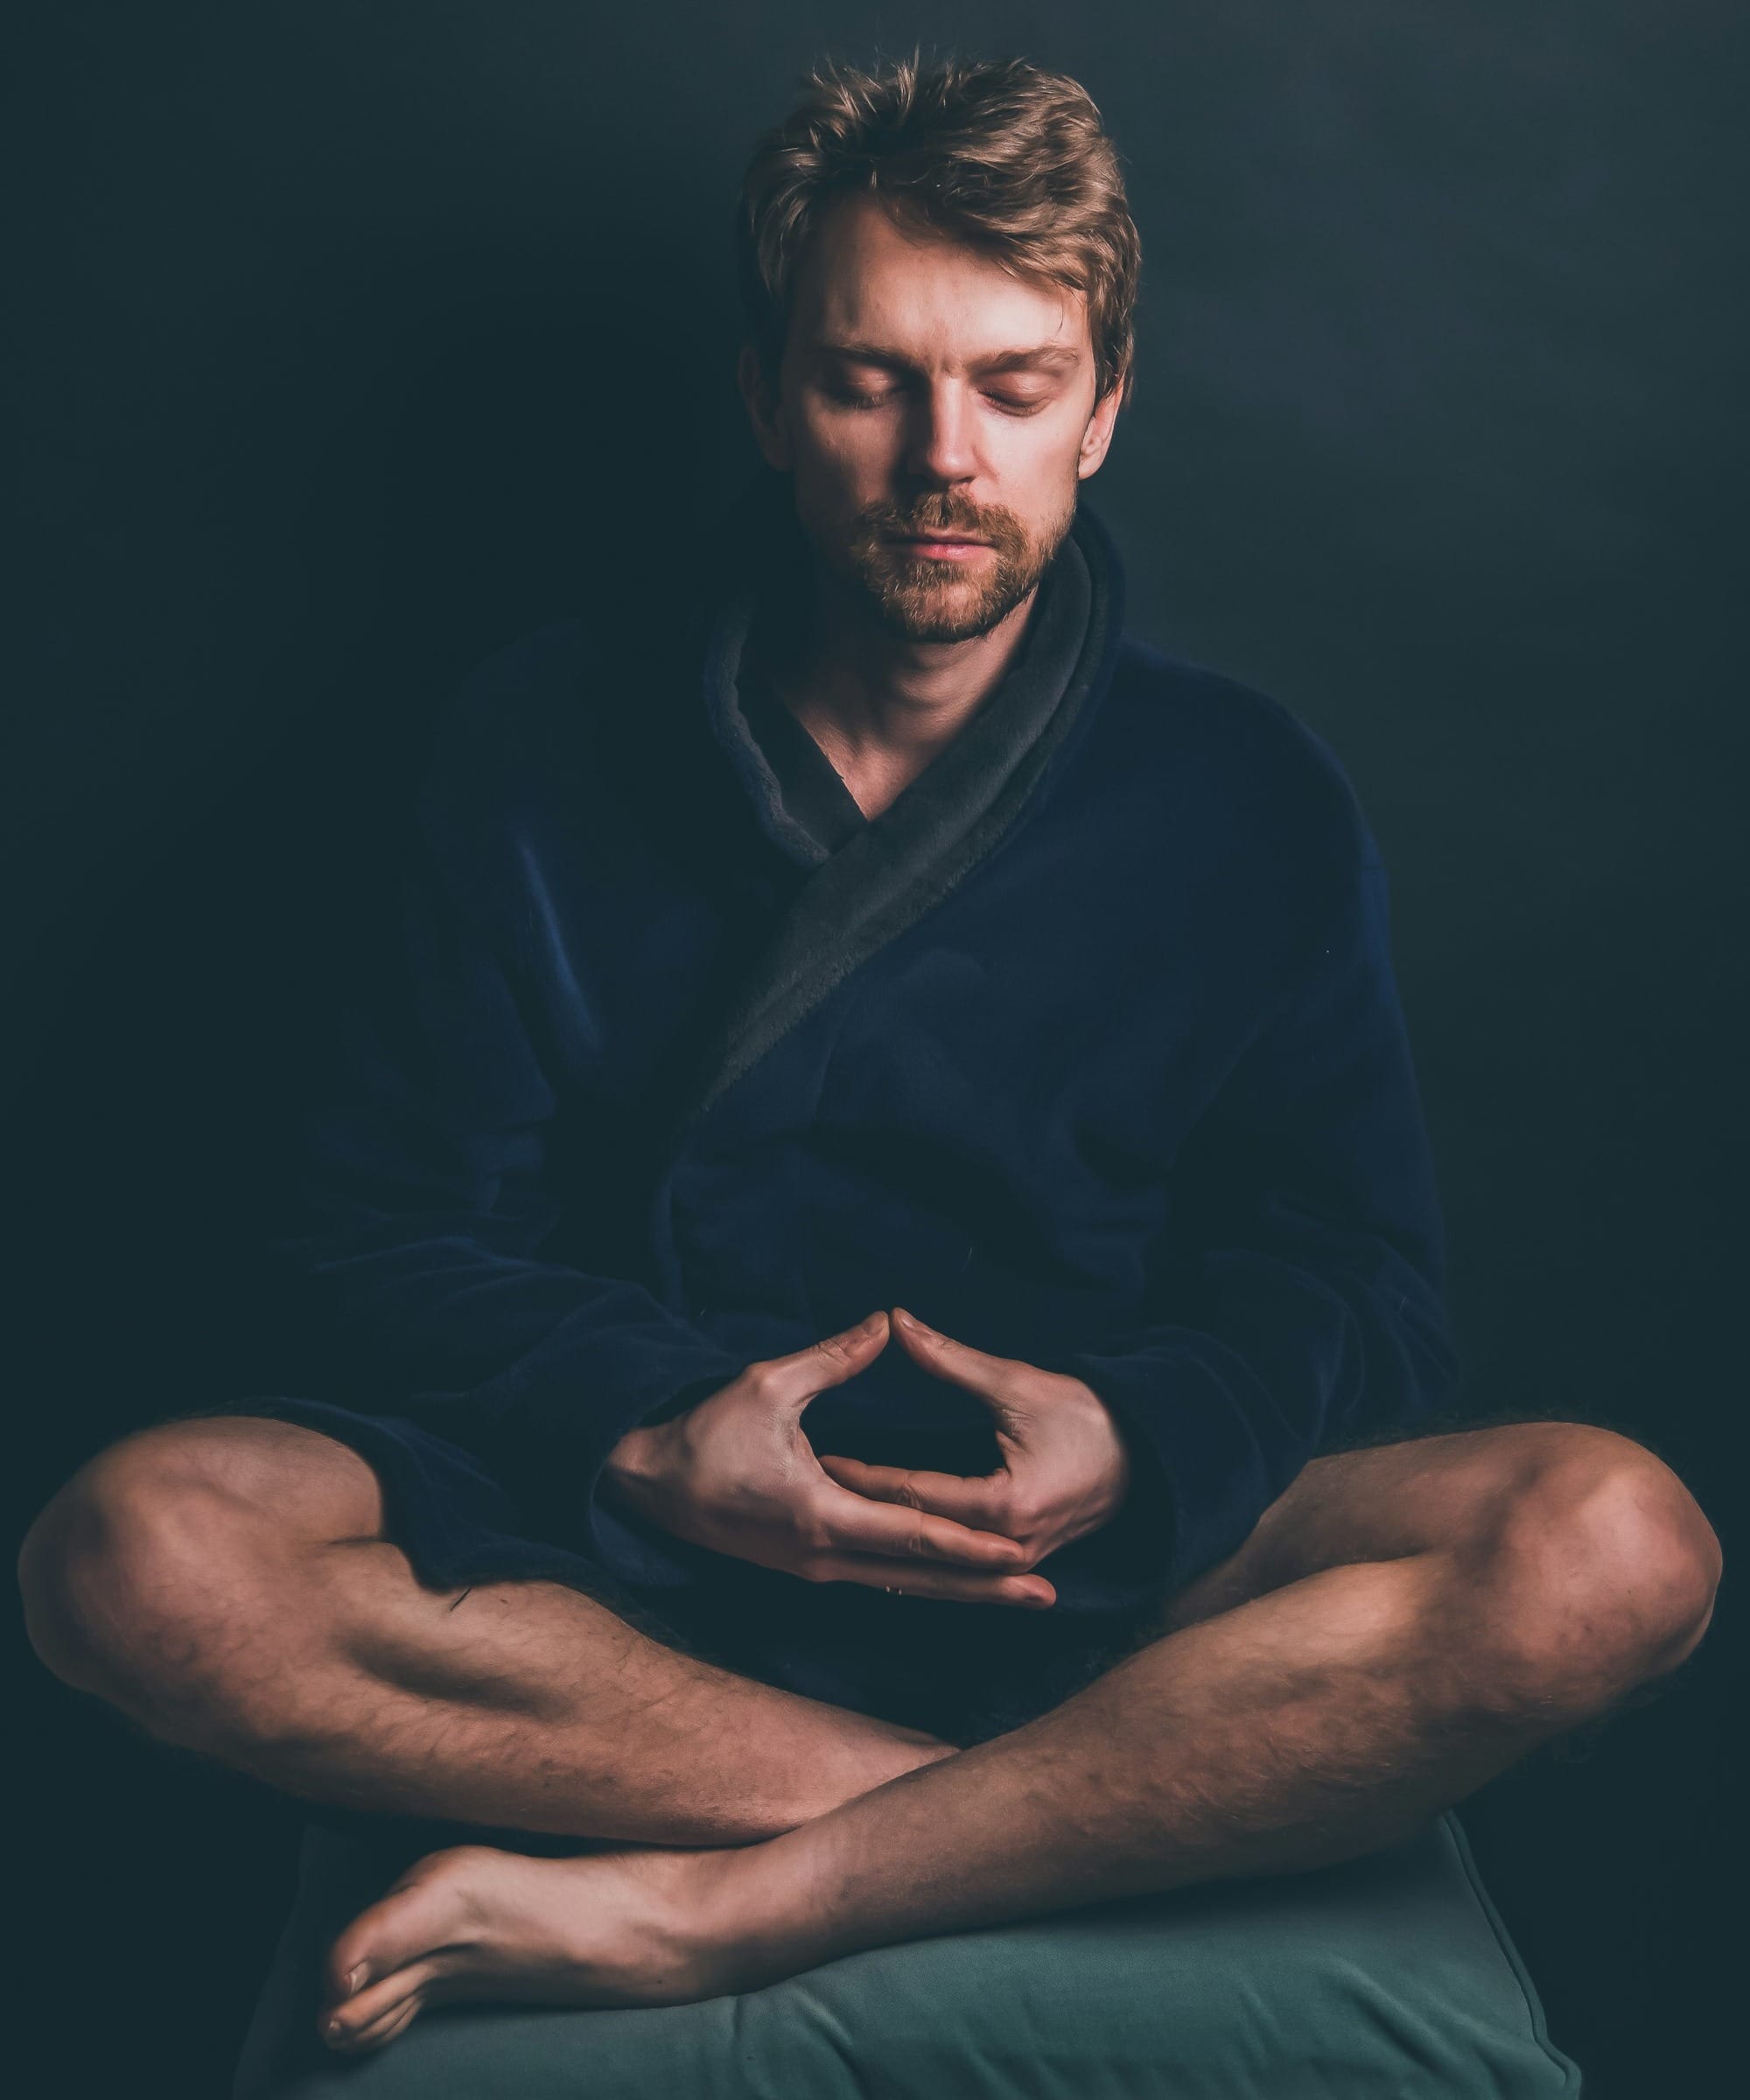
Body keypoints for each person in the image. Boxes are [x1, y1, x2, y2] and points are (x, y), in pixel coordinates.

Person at [18, 48, 1720, 2059]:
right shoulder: (536, 746)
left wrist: (1138, 1444)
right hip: (633, 1566)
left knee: (1617, 1544)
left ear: (1102, 409)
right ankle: (1078, 1824)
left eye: (1010, 384)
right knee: (133, 1552)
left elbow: (1354, 1287)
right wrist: (655, 1429)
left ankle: (751, 1896)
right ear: (767, 400)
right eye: (869, 378)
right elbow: (373, 1237)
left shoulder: (1248, 798)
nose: (943, 456)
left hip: (1077, 1577)